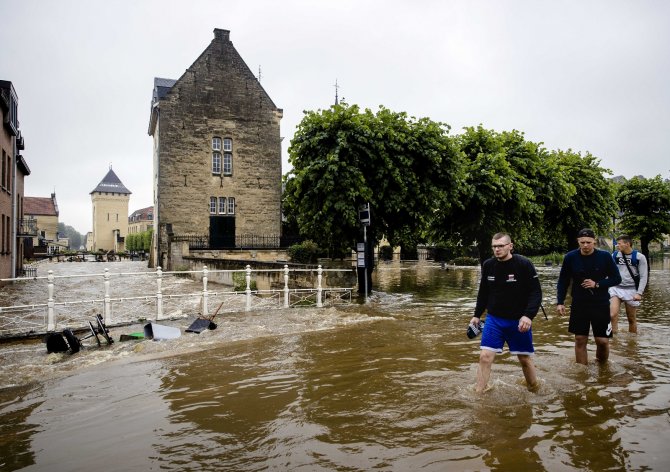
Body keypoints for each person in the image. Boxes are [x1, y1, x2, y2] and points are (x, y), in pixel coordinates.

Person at [471, 232, 542, 393]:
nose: (497, 249)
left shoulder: (524, 264)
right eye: (494, 246)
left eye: (501, 246)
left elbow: (536, 293)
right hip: (494, 319)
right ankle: (478, 394)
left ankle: (534, 389)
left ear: (510, 246)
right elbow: (483, 292)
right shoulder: (488, 265)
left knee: (524, 359)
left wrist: (528, 315)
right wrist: (476, 315)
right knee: (485, 357)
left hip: (518, 321)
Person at [556, 228, 621, 364]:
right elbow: (563, 281)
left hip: (601, 303)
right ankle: (582, 374)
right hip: (579, 303)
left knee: (602, 341)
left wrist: (597, 284)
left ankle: (603, 370)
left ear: (594, 242)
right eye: (582, 242)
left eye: (588, 242)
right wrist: (560, 302)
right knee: (580, 339)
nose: (585, 245)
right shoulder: (570, 257)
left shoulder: (604, 256)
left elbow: (616, 278)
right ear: (578, 242)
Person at [609, 234, 648, 334]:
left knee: (631, 319)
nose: (617, 246)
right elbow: (608, 272)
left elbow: (644, 276)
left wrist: (639, 293)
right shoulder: (614, 255)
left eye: (619, 244)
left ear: (627, 244)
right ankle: (614, 341)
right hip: (616, 288)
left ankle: (632, 343)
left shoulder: (639, 257)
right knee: (612, 315)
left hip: (631, 290)